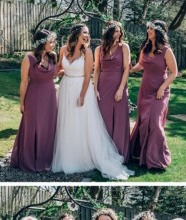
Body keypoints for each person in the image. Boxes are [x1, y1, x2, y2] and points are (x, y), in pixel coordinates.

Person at [52, 23, 133, 180]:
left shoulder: (87, 52)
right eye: (84, 32)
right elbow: (58, 70)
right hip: (66, 88)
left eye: (88, 33)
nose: (87, 35)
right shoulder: (62, 50)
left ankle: (84, 156)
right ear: (76, 33)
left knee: (82, 123)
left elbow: (88, 74)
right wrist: (57, 70)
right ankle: (68, 155)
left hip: (82, 88)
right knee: (66, 122)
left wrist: (83, 95)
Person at [128, 20, 177, 170]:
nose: (148, 31)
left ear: (159, 31)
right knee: (143, 122)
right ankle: (139, 154)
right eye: (148, 28)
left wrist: (163, 87)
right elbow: (142, 64)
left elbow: (174, 73)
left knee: (155, 123)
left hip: (160, 90)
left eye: (151, 29)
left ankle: (157, 159)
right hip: (145, 88)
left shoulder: (166, 50)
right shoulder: (145, 47)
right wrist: (132, 69)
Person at [11, 30, 58, 172]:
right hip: (34, 97)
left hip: (50, 96)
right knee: (34, 127)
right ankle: (29, 160)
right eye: (51, 42)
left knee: (48, 128)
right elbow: (24, 83)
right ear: (42, 43)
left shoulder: (52, 57)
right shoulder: (29, 59)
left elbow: (55, 75)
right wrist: (22, 102)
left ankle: (45, 160)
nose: (53, 44)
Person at [94, 21, 131, 160]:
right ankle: (104, 154)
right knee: (104, 120)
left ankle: (120, 154)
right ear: (109, 32)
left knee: (119, 120)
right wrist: (95, 89)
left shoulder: (124, 47)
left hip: (119, 85)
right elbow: (97, 70)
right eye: (116, 31)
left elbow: (127, 69)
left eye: (120, 31)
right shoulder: (99, 49)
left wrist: (121, 89)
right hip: (103, 87)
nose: (119, 33)